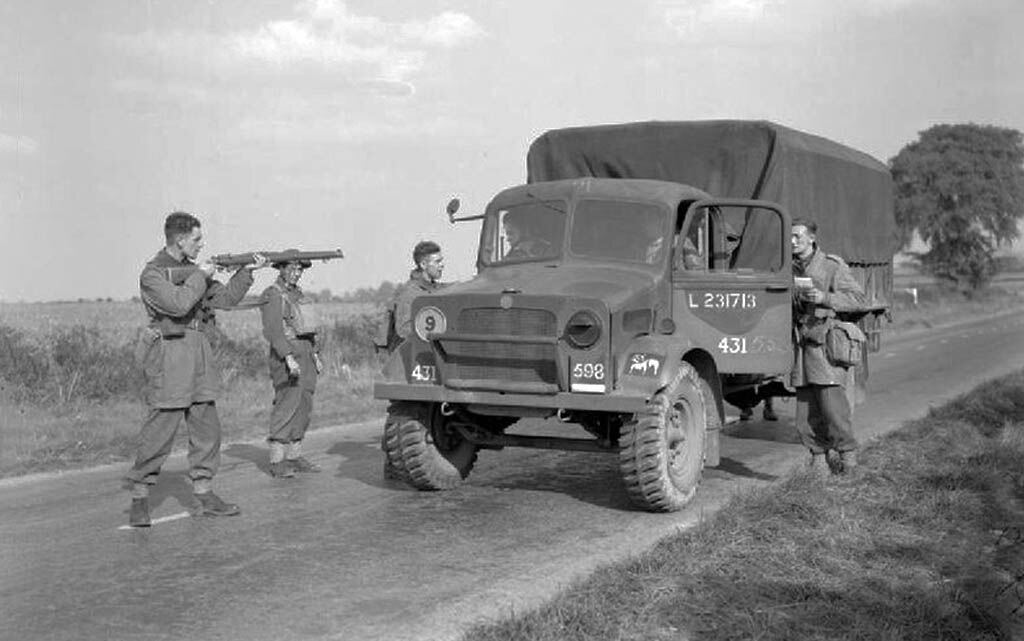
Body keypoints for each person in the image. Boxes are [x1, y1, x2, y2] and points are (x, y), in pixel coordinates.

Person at [126, 211, 268, 527]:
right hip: (170, 352)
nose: (202, 245)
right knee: (160, 428)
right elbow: (177, 304)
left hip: (199, 351)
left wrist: (246, 272)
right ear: (180, 239)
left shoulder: (195, 272)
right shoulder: (153, 273)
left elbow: (227, 299)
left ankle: (204, 494)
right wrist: (201, 275)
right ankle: (139, 497)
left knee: (207, 428)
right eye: (196, 239)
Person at [790, 218, 866, 477]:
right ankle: (819, 463)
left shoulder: (832, 266)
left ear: (811, 238)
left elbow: (858, 299)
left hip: (825, 346)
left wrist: (825, 298)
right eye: (789, 237)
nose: (793, 242)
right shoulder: (786, 267)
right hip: (801, 345)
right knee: (804, 415)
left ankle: (849, 461)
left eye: (797, 236)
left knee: (834, 410)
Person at [378, 240, 445, 478]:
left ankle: (396, 462)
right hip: (407, 360)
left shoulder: (429, 289)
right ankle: (393, 464)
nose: (442, 265)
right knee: (404, 413)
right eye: (437, 261)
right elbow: (406, 329)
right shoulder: (410, 294)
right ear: (423, 264)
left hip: (422, 358)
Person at [260, 250, 324, 479]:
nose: (297, 273)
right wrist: (288, 358)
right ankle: (277, 460)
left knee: (304, 404)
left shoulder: (298, 294)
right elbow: (274, 331)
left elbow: (308, 326)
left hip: (305, 352)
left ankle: (295, 456)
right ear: (282, 269)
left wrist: (315, 354)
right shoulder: (273, 294)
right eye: (292, 269)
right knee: (287, 403)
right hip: (287, 354)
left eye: (300, 270)